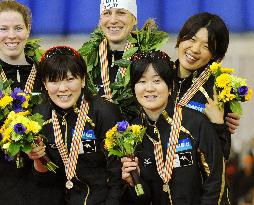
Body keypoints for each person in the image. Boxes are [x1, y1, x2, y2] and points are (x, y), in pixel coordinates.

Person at [121, 50, 225, 204]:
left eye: (157, 81)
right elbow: (142, 198)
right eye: (142, 82)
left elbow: (215, 180)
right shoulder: (132, 134)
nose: (149, 88)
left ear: (170, 87)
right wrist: (134, 182)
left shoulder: (195, 123)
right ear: (134, 88)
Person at [28, 46, 122, 205]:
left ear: (83, 79)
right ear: (44, 83)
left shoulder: (104, 112)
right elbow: (45, 180)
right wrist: (38, 159)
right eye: (54, 80)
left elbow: (118, 174)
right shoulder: (40, 117)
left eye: (70, 79)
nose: (63, 88)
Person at [79, 0, 169, 120]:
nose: (113, 20)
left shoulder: (152, 61)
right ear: (100, 20)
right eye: (107, 13)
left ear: (134, 19)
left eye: (121, 13)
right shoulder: (84, 60)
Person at [0, 1, 43, 204]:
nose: (11, 35)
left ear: (28, 30)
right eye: (3, 28)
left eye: (18, 28)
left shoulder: (46, 73)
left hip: (42, 181)